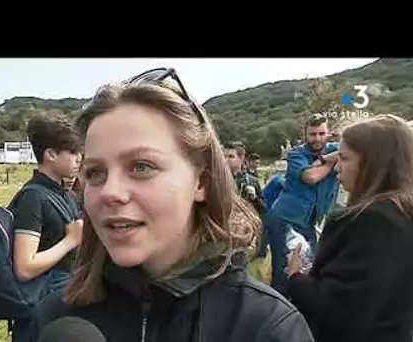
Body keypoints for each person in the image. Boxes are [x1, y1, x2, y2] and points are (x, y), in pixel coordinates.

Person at [37, 67, 314, 342]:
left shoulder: (268, 328)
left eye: (141, 166)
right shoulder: (59, 319)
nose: (110, 192)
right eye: (95, 173)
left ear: (201, 183)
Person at [286, 114, 413, 342]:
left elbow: (341, 311)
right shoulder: (404, 212)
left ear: (372, 163)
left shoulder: (369, 222)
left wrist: (296, 278)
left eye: (344, 159)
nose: (337, 169)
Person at [10, 114, 83, 342]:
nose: (79, 158)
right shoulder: (33, 197)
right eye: (72, 152)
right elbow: (24, 266)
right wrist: (70, 241)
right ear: (50, 155)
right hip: (37, 311)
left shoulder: (65, 195)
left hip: (61, 304)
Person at [266, 113, 339, 295]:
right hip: (285, 219)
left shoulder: (335, 148)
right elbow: (310, 177)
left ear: (328, 133)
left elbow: (356, 148)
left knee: (310, 266)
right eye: (313, 134)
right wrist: (331, 162)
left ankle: (299, 307)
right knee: (284, 270)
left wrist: (323, 159)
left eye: (322, 133)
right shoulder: (297, 153)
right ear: (305, 135)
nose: (317, 138)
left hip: (308, 222)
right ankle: (278, 310)